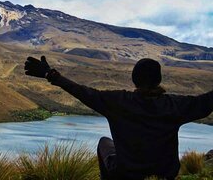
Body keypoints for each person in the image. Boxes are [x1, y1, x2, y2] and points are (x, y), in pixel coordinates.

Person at [24, 56, 213, 180]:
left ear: (134, 79)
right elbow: (207, 102)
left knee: (104, 143)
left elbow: (83, 92)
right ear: (158, 80)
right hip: (164, 174)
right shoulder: (175, 105)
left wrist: (51, 74)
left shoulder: (119, 102)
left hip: (126, 174)